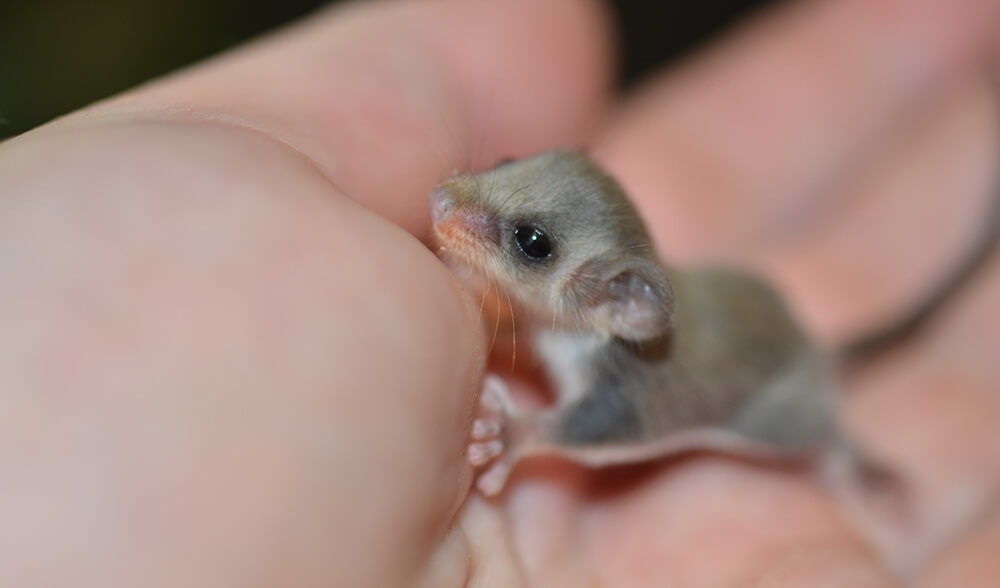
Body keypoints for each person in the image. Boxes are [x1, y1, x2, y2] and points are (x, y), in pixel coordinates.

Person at [1, 0, 997, 585]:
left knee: (790, 421)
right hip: (731, 297)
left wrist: (527, 438)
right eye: (505, 172)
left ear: (617, 306)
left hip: (771, 374)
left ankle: (838, 441)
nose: (453, 205)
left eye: (519, 239)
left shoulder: (624, 359)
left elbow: (615, 428)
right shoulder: (582, 307)